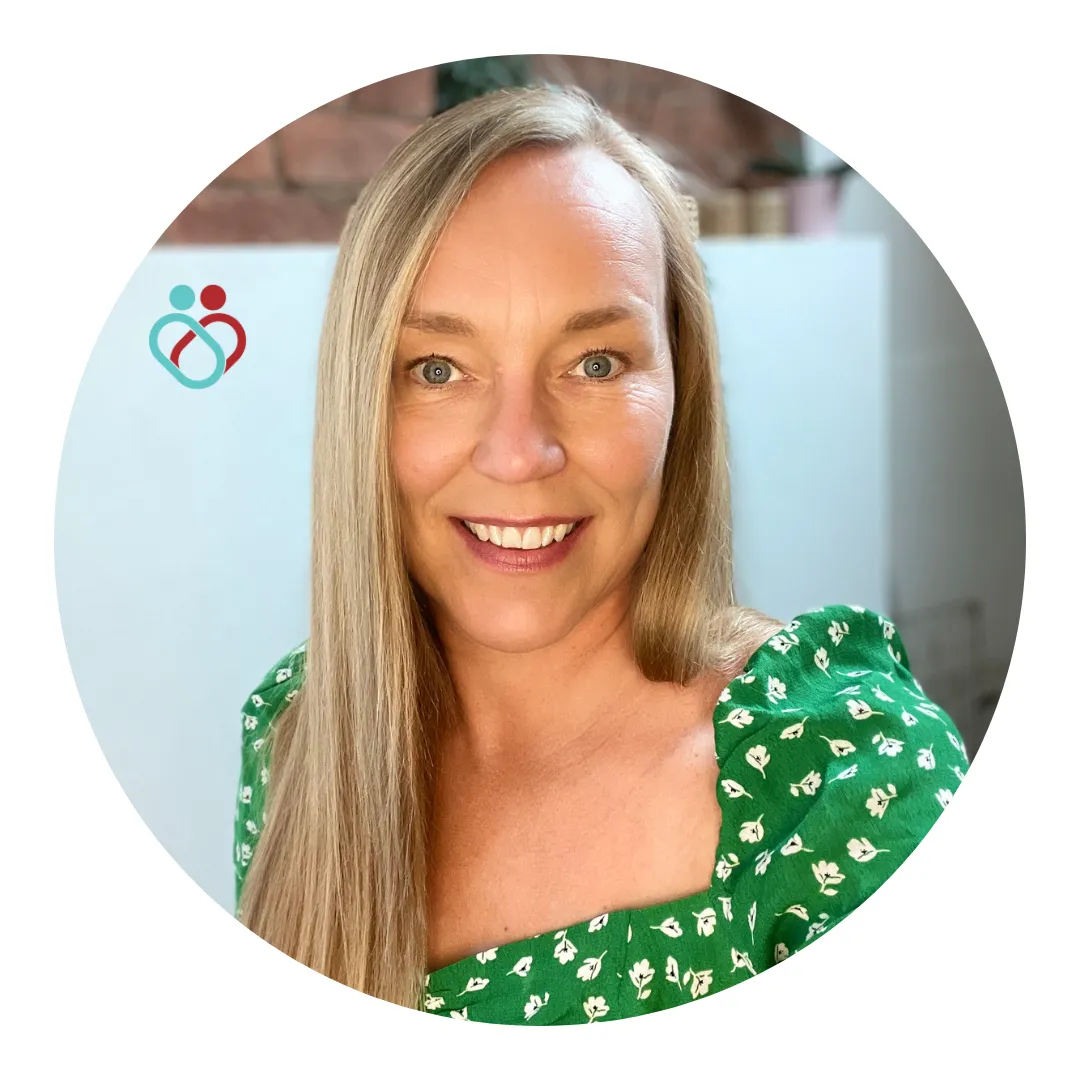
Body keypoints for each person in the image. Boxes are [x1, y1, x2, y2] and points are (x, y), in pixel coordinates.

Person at [233, 84, 968, 1024]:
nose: (518, 454)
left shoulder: (845, 784)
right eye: (438, 369)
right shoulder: (296, 735)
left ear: (682, 391)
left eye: (595, 364)